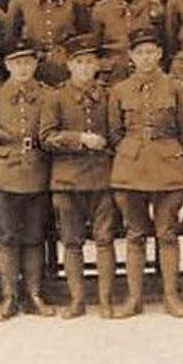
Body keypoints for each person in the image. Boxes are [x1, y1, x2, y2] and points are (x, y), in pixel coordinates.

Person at [107, 27, 183, 318]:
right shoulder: (119, 90)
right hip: (130, 168)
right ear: (131, 57)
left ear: (159, 54)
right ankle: (134, 299)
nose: (146, 58)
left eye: (151, 52)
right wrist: (132, 149)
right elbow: (114, 132)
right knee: (135, 234)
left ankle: (172, 298)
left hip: (167, 167)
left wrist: (170, 152)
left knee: (167, 233)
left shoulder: (176, 88)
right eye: (140, 53)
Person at [40, 36, 116, 318]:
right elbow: (46, 137)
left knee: (104, 239)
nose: (85, 68)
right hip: (67, 178)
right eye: (79, 62)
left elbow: (118, 132)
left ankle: (105, 300)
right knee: (71, 242)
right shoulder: (55, 97)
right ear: (69, 65)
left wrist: (105, 143)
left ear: (97, 65)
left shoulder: (109, 95)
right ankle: (78, 301)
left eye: (89, 62)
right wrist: (80, 138)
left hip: (101, 176)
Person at [0, 46, 54, 320]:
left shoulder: (47, 95)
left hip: (37, 171)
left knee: (35, 235)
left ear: (35, 64)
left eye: (28, 63)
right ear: (7, 65)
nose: (23, 68)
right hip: (3, 173)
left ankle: (34, 294)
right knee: (8, 236)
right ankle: (9, 296)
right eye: (17, 63)